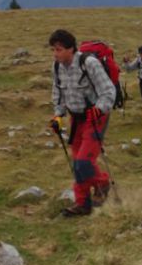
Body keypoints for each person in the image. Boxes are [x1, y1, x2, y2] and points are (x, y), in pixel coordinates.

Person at [49, 29, 117, 217]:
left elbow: (109, 91)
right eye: (53, 50)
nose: (55, 54)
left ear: (71, 49)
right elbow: (58, 95)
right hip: (76, 119)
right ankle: (83, 204)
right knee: (78, 163)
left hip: (95, 118)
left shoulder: (89, 64)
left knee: (83, 163)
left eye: (59, 49)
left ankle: (103, 183)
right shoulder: (56, 67)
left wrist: (99, 108)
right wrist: (58, 117)